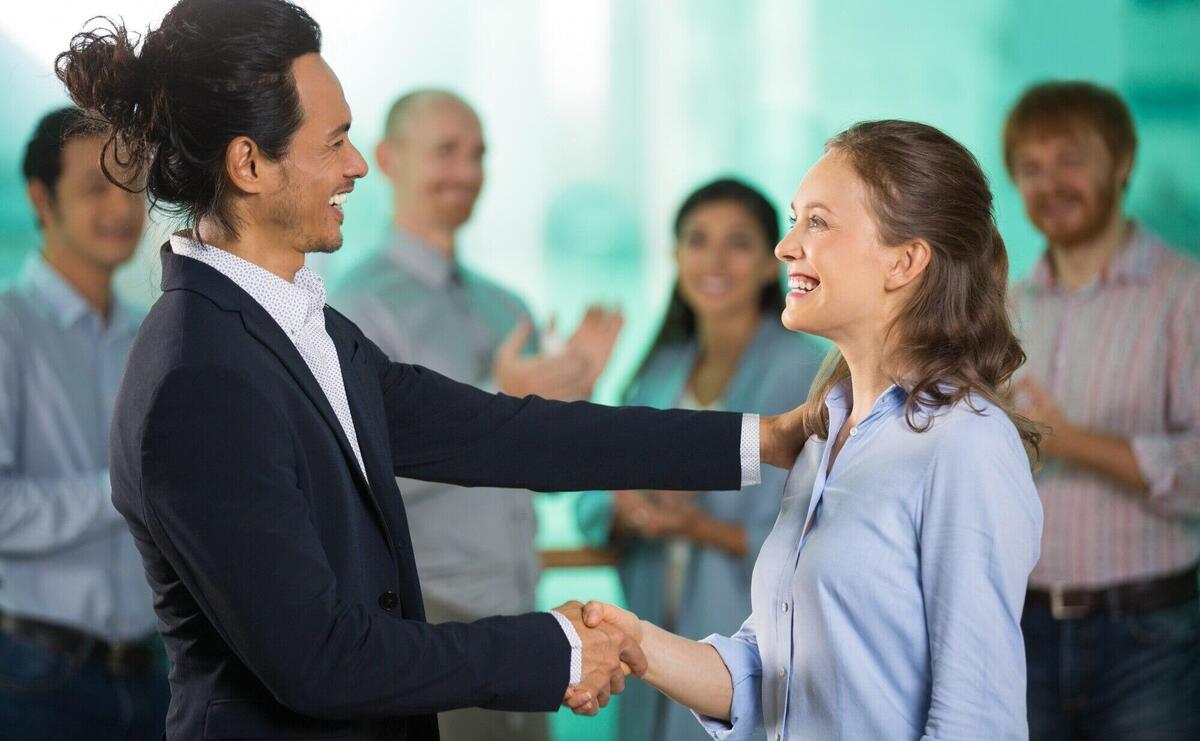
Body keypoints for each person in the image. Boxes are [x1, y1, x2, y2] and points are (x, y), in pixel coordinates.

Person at [55, 2, 810, 738]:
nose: (356, 167)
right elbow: (321, 659)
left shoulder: (304, 330)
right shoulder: (201, 380)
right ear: (249, 163)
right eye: (335, 142)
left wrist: (765, 440)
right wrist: (557, 647)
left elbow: (509, 435)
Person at [571, 120, 1045, 740]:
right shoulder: (824, 435)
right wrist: (640, 644)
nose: (785, 247)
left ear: (903, 261)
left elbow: (976, 723)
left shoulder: (967, 445)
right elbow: (767, 672)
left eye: (816, 223)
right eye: (796, 220)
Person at [331, 89, 621, 741]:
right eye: (446, 151)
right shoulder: (358, 308)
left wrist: (564, 410)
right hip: (430, 626)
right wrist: (501, 401)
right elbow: (358, 478)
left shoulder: (506, 306)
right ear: (388, 158)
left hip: (525, 621)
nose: (465, 172)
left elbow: (537, 474)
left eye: (478, 154)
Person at [575, 178, 823, 741]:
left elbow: (822, 532)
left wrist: (701, 527)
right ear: (675, 255)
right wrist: (627, 509)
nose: (714, 259)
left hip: (752, 644)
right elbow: (592, 496)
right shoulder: (658, 368)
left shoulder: (805, 371)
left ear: (770, 263)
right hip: (650, 635)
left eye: (737, 243)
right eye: (696, 240)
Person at [1003, 81, 1200, 739]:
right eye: (1030, 168)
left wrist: (1066, 439)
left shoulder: (1184, 293)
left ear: (1122, 161)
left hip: (1149, 638)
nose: (1049, 183)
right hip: (1019, 629)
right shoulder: (1006, 307)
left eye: (1070, 160)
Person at [0, 107, 166, 740]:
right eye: (96, 187)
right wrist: (121, 490)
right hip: (35, 679)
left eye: (133, 184)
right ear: (41, 199)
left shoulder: (152, 335)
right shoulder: (9, 330)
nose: (122, 208)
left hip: (155, 673)